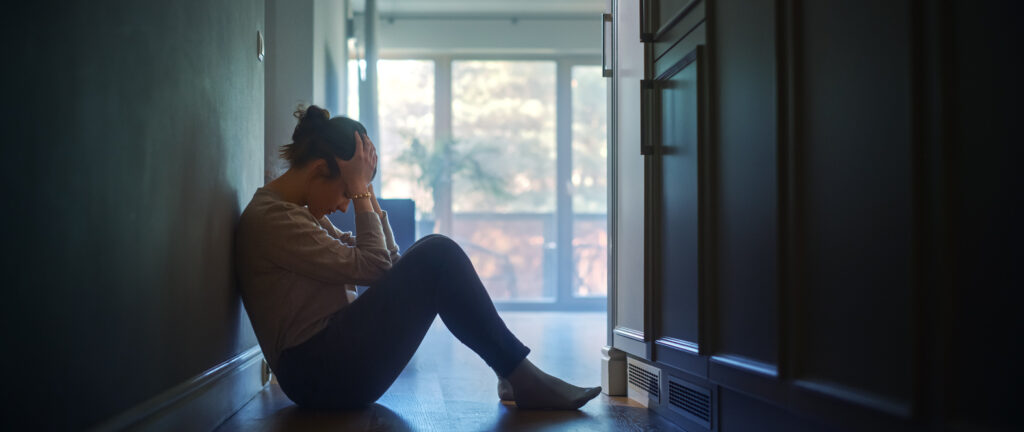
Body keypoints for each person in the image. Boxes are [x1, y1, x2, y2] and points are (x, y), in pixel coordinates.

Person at [235, 105, 601, 410]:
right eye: (347, 192)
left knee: (435, 251)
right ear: (318, 170)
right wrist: (362, 192)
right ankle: (519, 376)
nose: (344, 206)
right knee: (438, 252)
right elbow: (376, 265)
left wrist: (366, 193)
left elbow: (387, 267)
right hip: (318, 376)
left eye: (353, 194)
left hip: (329, 365)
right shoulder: (274, 219)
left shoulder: (296, 214)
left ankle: (515, 375)